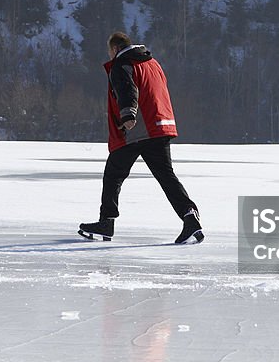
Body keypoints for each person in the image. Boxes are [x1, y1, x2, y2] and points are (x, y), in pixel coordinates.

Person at [79, 32, 204, 244]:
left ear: (116, 49)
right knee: (166, 176)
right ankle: (190, 217)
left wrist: (128, 114)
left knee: (113, 175)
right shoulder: (152, 62)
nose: (110, 56)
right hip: (159, 127)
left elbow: (127, 88)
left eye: (110, 52)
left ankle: (106, 223)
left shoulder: (122, 64)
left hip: (137, 131)